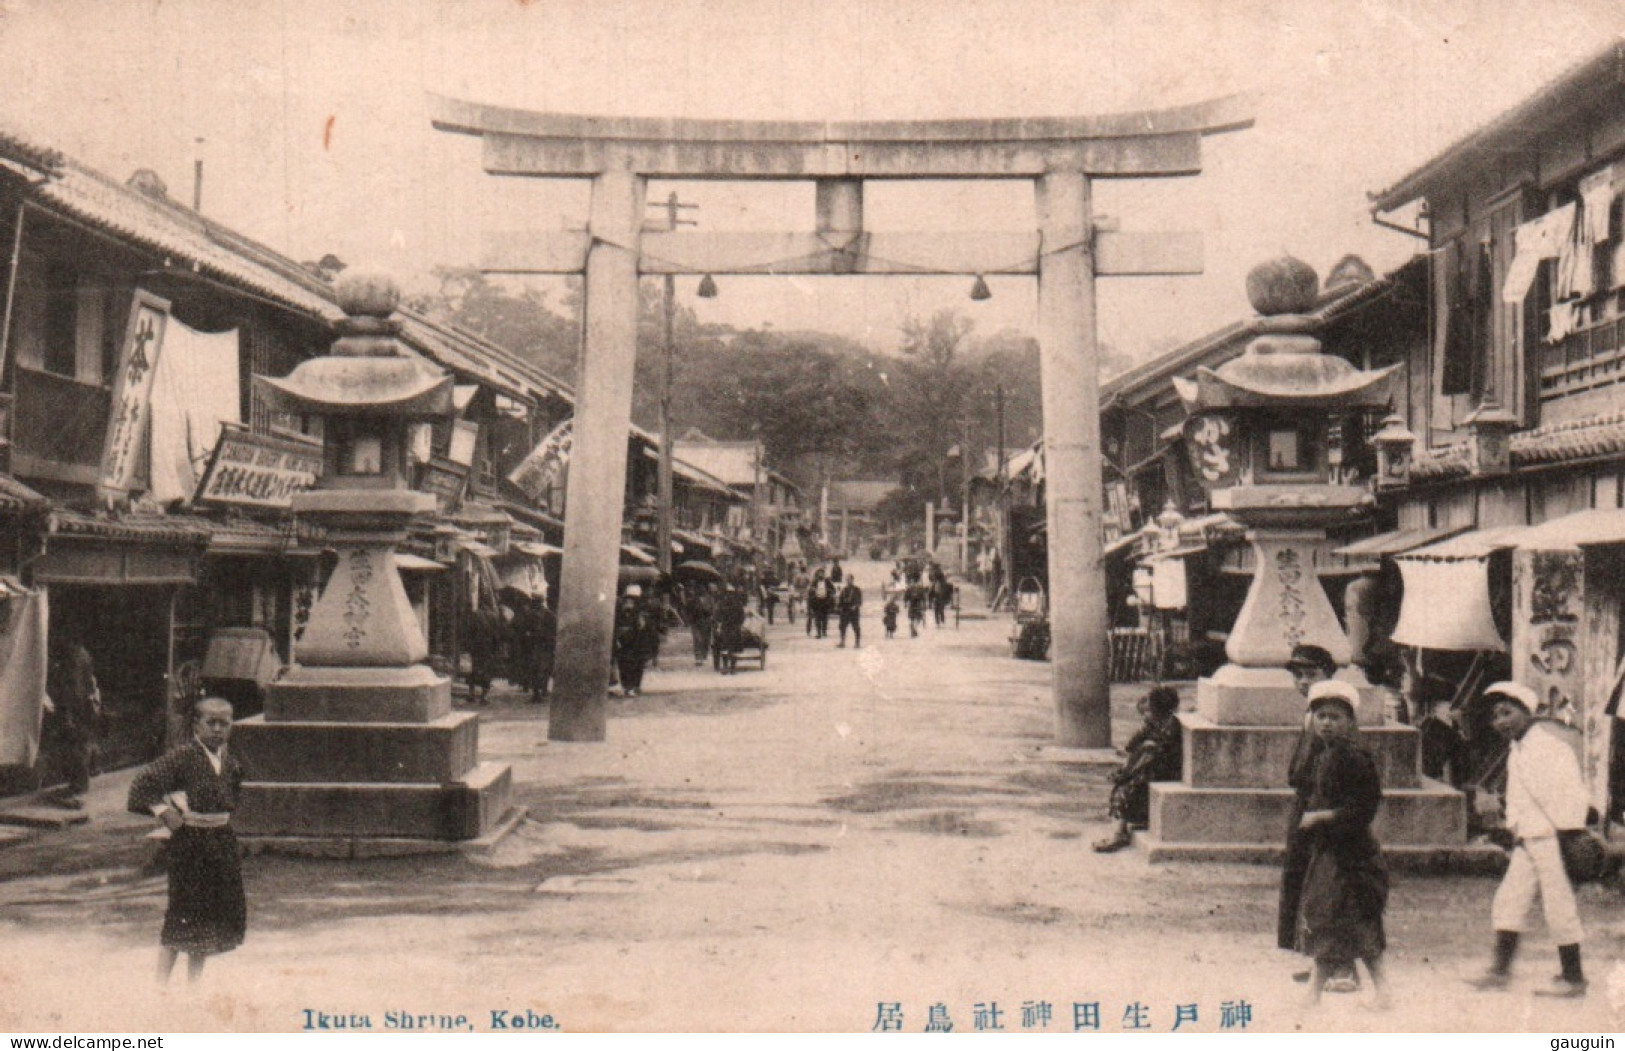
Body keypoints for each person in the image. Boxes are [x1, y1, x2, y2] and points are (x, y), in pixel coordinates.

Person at [1465, 682, 1590, 998]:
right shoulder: (1517, 749)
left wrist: (1568, 834)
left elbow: (1569, 793)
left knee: (1558, 904)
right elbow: (1521, 798)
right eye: (1496, 716)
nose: (1501, 722)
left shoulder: (1549, 747)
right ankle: (1500, 970)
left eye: (1508, 712)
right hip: (1528, 838)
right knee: (1510, 900)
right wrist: (1512, 826)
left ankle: (1573, 977)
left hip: (1552, 837)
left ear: (1527, 712)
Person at [127, 697, 246, 986]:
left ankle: (193, 986)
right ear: (196, 725)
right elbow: (142, 785)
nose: (217, 729)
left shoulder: (231, 761)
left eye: (224, 723)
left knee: (209, 916)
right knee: (183, 912)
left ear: (231, 726)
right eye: (210, 722)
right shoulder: (182, 756)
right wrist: (165, 812)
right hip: (190, 845)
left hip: (220, 843)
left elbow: (233, 796)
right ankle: (160, 986)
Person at [1295, 680, 1390, 1008]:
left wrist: (1321, 817)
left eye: (1335, 717)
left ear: (1350, 722)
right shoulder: (1323, 754)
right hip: (1331, 854)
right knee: (1328, 920)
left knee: (1351, 922)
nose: (1327, 723)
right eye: (1321, 716)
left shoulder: (1353, 757)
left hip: (1351, 857)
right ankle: (1315, 994)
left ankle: (1379, 993)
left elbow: (1363, 808)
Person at [1277, 643, 1360, 993]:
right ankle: (1320, 964)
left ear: (1329, 675)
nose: (1302, 681)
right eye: (1297, 675)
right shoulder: (1311, 717)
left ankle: (1344, 968)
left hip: (1327, 813)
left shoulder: (1337, 725)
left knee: (1332, 891)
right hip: (1307, 807)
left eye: (1311, 674)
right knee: (1306, 886)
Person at [1093, 685, 1183, 853]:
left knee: (1132, 786)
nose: (1147, 715)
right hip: (1152, 766)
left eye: (1150, 710)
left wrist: (1129, 771)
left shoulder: (1170, 727)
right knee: (1127, 783)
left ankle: (1120, 833)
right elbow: (1132, 746)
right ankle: (1120, 830)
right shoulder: (1153, 725)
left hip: (1164, 771)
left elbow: (1156, 754)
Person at [44, 632, 99, 808]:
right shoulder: (84, 654)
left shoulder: (74, 658)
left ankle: (78, 784)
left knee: (76, 748)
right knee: (81, 745)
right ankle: (80, 782)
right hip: (83, 707)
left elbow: (73, 688)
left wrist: (67, 713)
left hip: (76, 709)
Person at [510, 595, 557, 704]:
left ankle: (537, 694)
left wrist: (528, 635)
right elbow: (554, 630)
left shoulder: (530, 614)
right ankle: (542, 691)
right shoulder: (549, 614)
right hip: (544, 646)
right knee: (543, 669)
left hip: (535, 646)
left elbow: (522, 629)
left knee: (535, 669)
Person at [714, 585, 747, 675]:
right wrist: (739, 624)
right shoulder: (738, 603)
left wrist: (719, 623)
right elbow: (742, 616)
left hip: (726, 628)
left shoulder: (722, 603)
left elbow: (717, 616)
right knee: (733, 648)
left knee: (725, 647)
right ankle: (732, 668)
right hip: (734, 628)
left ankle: (726, 667)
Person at [687, 584, 716, 667]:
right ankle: (698, 658)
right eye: (699, 589)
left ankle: (704, 654)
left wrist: (711, 616)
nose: (701, 590)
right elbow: (689, 610)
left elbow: (713, 609)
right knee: (697, 639)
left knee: (706, 639)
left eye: (703, 588)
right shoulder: (693, 600)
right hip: (696, 622)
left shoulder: (710, 599)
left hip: (707, 621)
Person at [836, 577, 863, 648]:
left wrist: (855, 606)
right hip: (845, 611)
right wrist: (839, 607)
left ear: (852, 580)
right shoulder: (844, 590)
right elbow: (840, 600)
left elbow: (859, 600)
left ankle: (857, 643)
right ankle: (842, 642)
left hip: (854, 612)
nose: (848, 581)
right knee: (842, 626)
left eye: (850, 580)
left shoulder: (857, 590)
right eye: (847, 580)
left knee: (856, 627)